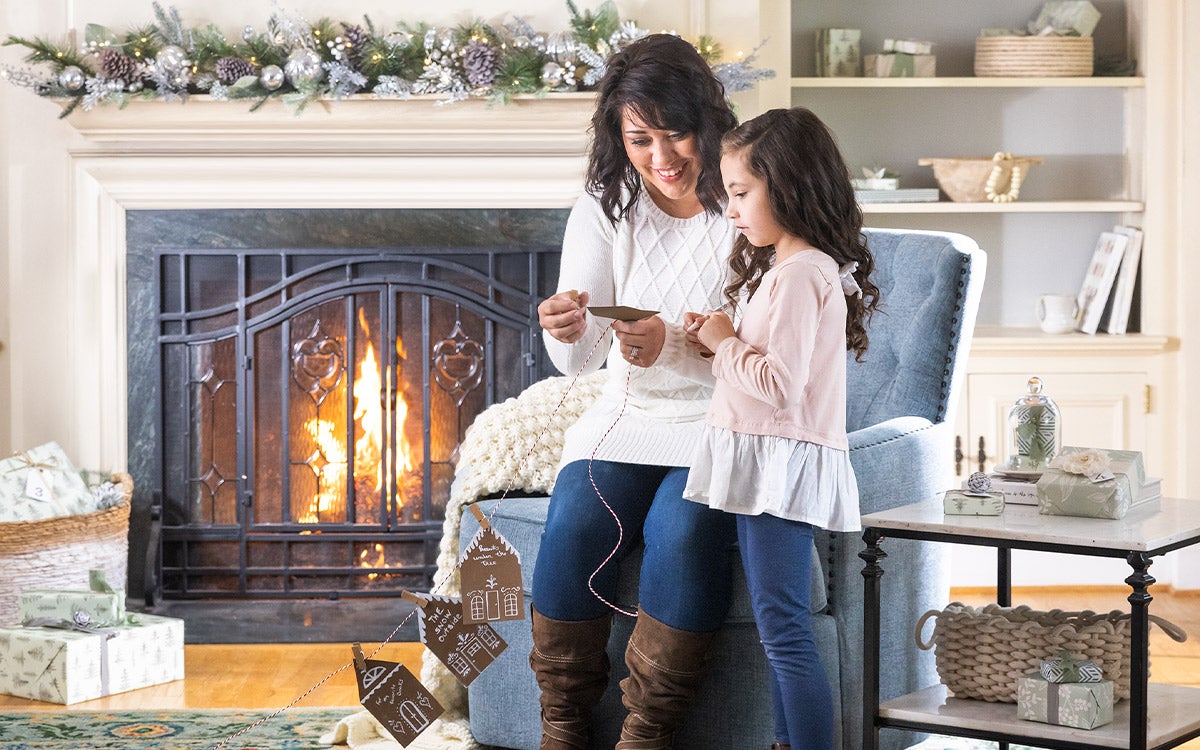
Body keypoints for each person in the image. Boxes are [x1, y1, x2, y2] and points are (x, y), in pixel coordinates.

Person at [530, 33, 739, 750]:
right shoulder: (605, 203)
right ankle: (562, 726)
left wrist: (672, 347)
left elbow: (774, 354)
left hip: (725, 418)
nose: (662, 159)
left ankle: (646, 734)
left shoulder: (750, 195)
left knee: (678, 534)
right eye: (641, 139)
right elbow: (580, 362)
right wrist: (563, 327)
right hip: (625, 416)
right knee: (572, 526)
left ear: (708, 119)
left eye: (676, 133)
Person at [683, 107, 881, 750]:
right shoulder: (789, 269)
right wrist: (716, 343)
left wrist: (722, 340)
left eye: (741, 193)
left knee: (785, 630)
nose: (731, 209)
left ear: (789, 185)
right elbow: (764, 373)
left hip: (778, 464)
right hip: (766, 459)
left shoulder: (800, 273)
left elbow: (779, 386)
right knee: (779, 628)